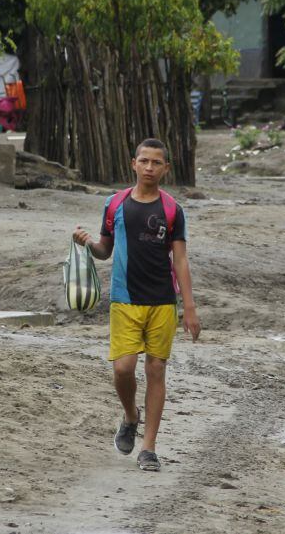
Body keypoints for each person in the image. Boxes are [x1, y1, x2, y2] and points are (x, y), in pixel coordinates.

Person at [72, 138, 200, 472]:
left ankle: (149, 448)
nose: (149, 168)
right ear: (133, 164)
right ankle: (131, 415)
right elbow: (105, 250)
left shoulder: (172, 210)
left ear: (166, 169)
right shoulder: (115, 204)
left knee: (156, 369)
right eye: (144, 161)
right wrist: (88, 244)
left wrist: (189, 307)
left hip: (162, 302)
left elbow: (181, 260)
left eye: (156, 163)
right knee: (122, 368)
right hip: (124, 300)